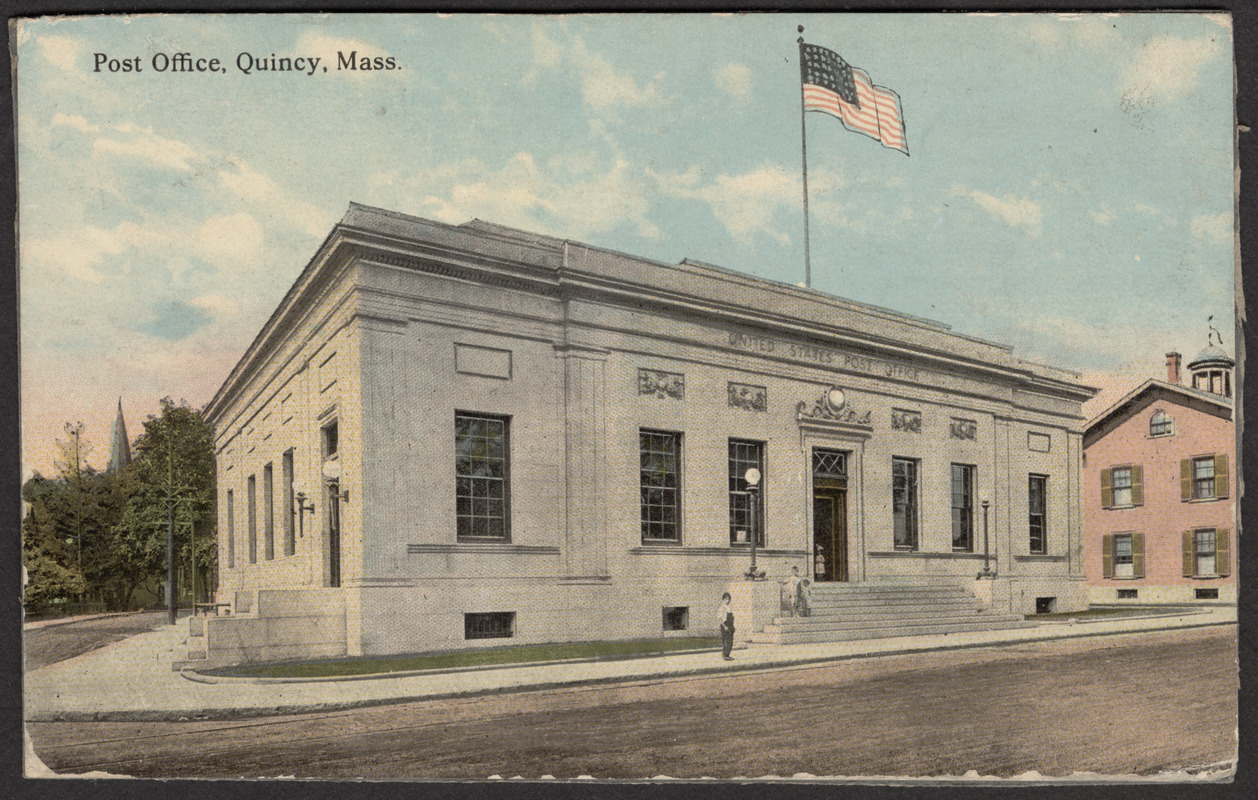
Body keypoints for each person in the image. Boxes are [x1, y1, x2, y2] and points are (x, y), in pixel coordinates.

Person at [717, 592, 735, 660]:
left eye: (729, 599)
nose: (728, 600)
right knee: (726, 641)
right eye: (726, 599)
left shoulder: (729, 608)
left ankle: (728, 654)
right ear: (723, 600)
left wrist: (732, 626)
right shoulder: (722, 608)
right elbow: (720, 619)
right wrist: (725, 626)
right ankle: (725, 655)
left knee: (730, 641)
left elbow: (732, 617)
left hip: (730, 626)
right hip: (725, 625)